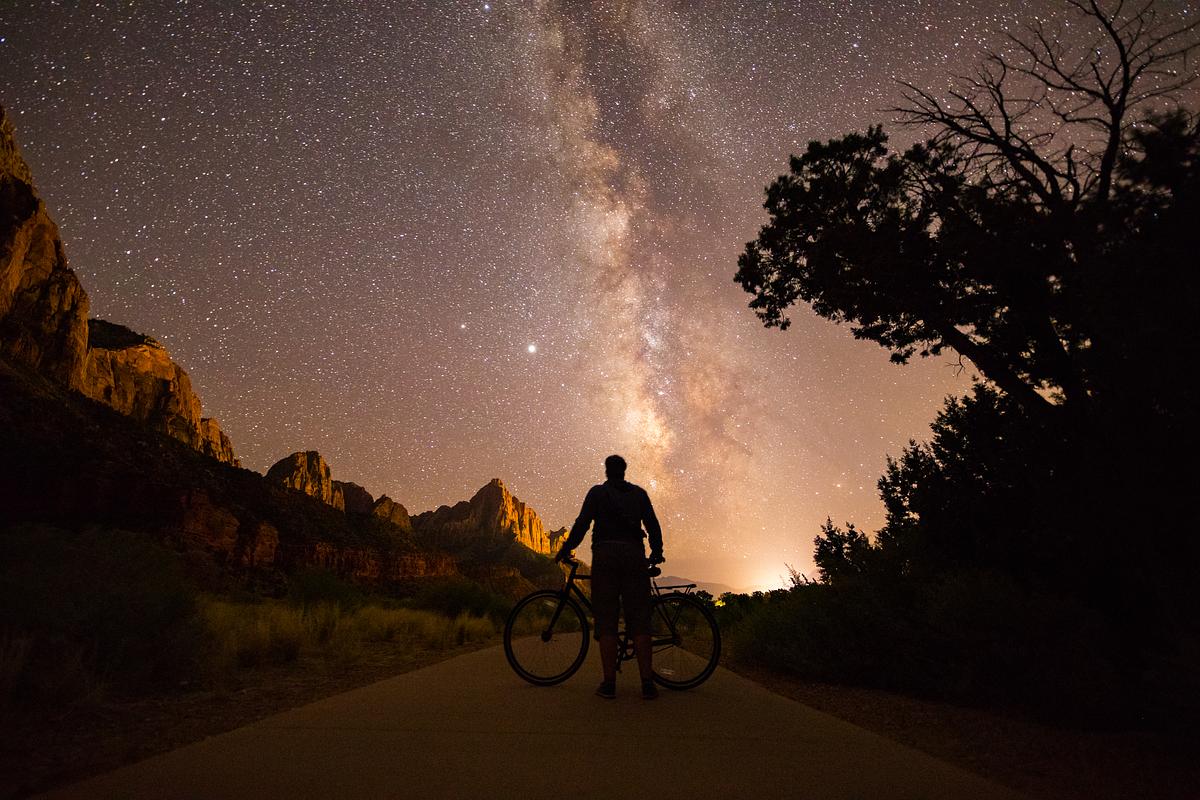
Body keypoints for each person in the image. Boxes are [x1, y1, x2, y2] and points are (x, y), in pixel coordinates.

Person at [555, 454, 664, 700]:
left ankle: (608, 684)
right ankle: (647, 683)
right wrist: (657, 552)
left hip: (605, 556)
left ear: (607, 471)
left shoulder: (596, 493)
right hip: (634, 555)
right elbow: (653, 524)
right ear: (624, 471)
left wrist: (565, 549)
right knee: (640, 618)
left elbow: (582, 524)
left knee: (606, 619)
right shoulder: (639, 494)